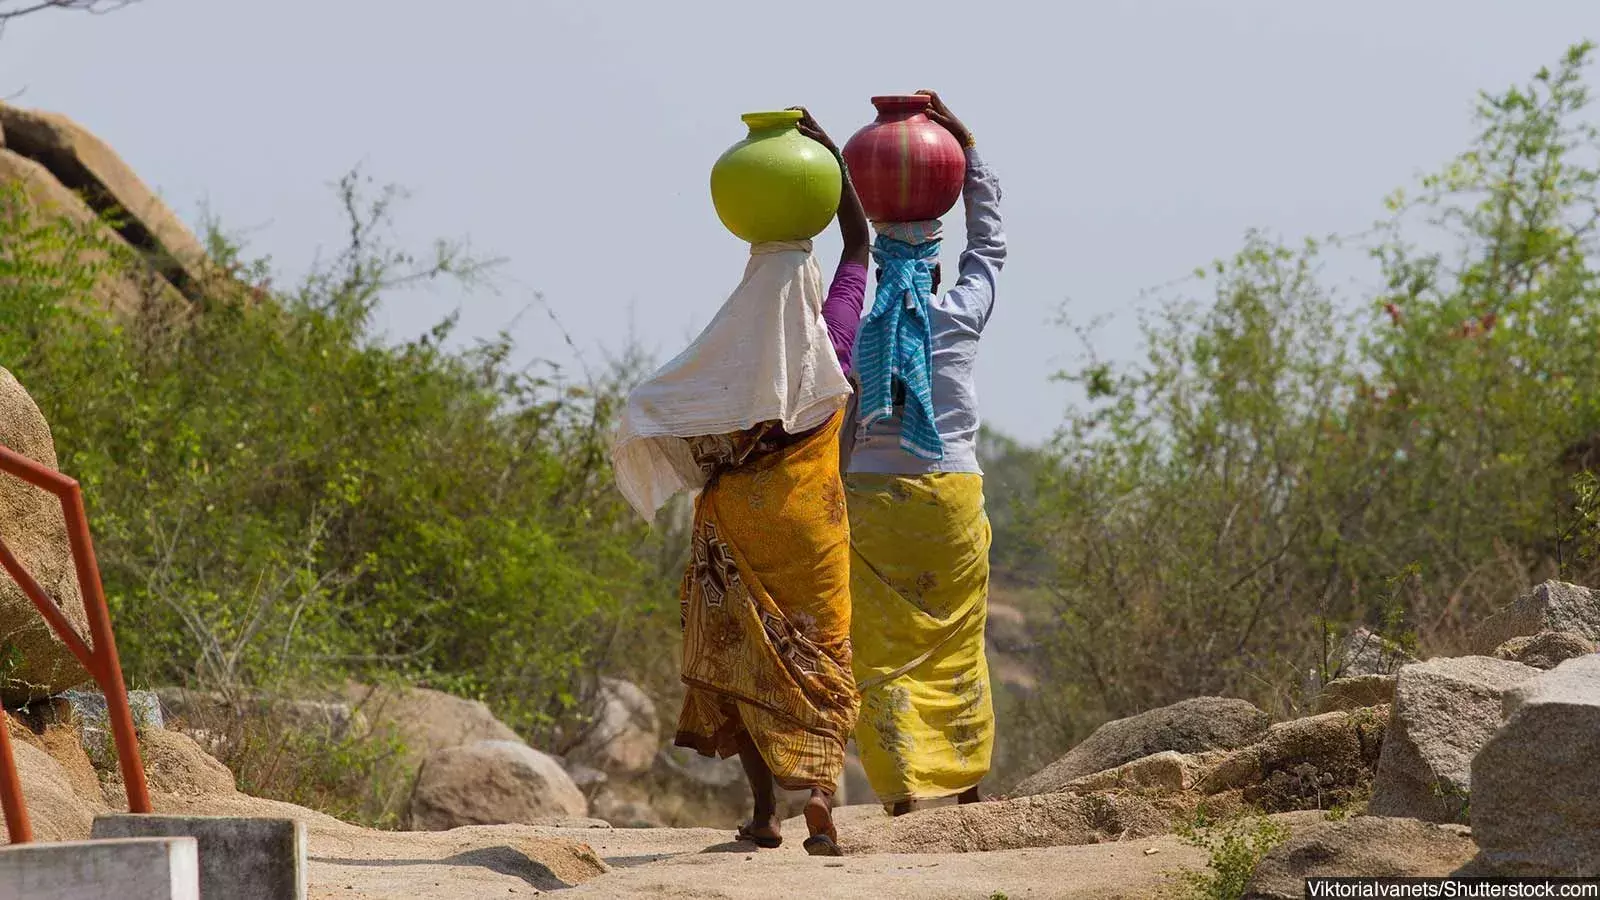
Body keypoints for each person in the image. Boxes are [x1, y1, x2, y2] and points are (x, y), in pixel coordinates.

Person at [610, 108, 870, 855]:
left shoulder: (727, 356)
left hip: (736, 526)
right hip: (812, 526)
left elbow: (655, 406)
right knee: (821, 659)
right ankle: (820, 793)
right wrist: (832, 164)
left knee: (740, 659)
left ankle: (764, 816)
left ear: (752, 280)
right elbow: (859, 244)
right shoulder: (835, 338)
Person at [843, 90, 1005, 816]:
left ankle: (902, 795)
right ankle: (967, 787)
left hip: (872, 501)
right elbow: (990, 247)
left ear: (881, 267)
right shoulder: (961, 313)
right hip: (950, 497)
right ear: (936, 270)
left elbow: (844, 262)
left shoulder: (857, 332)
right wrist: (965, 145)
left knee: (882, 652)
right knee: (957, 642)